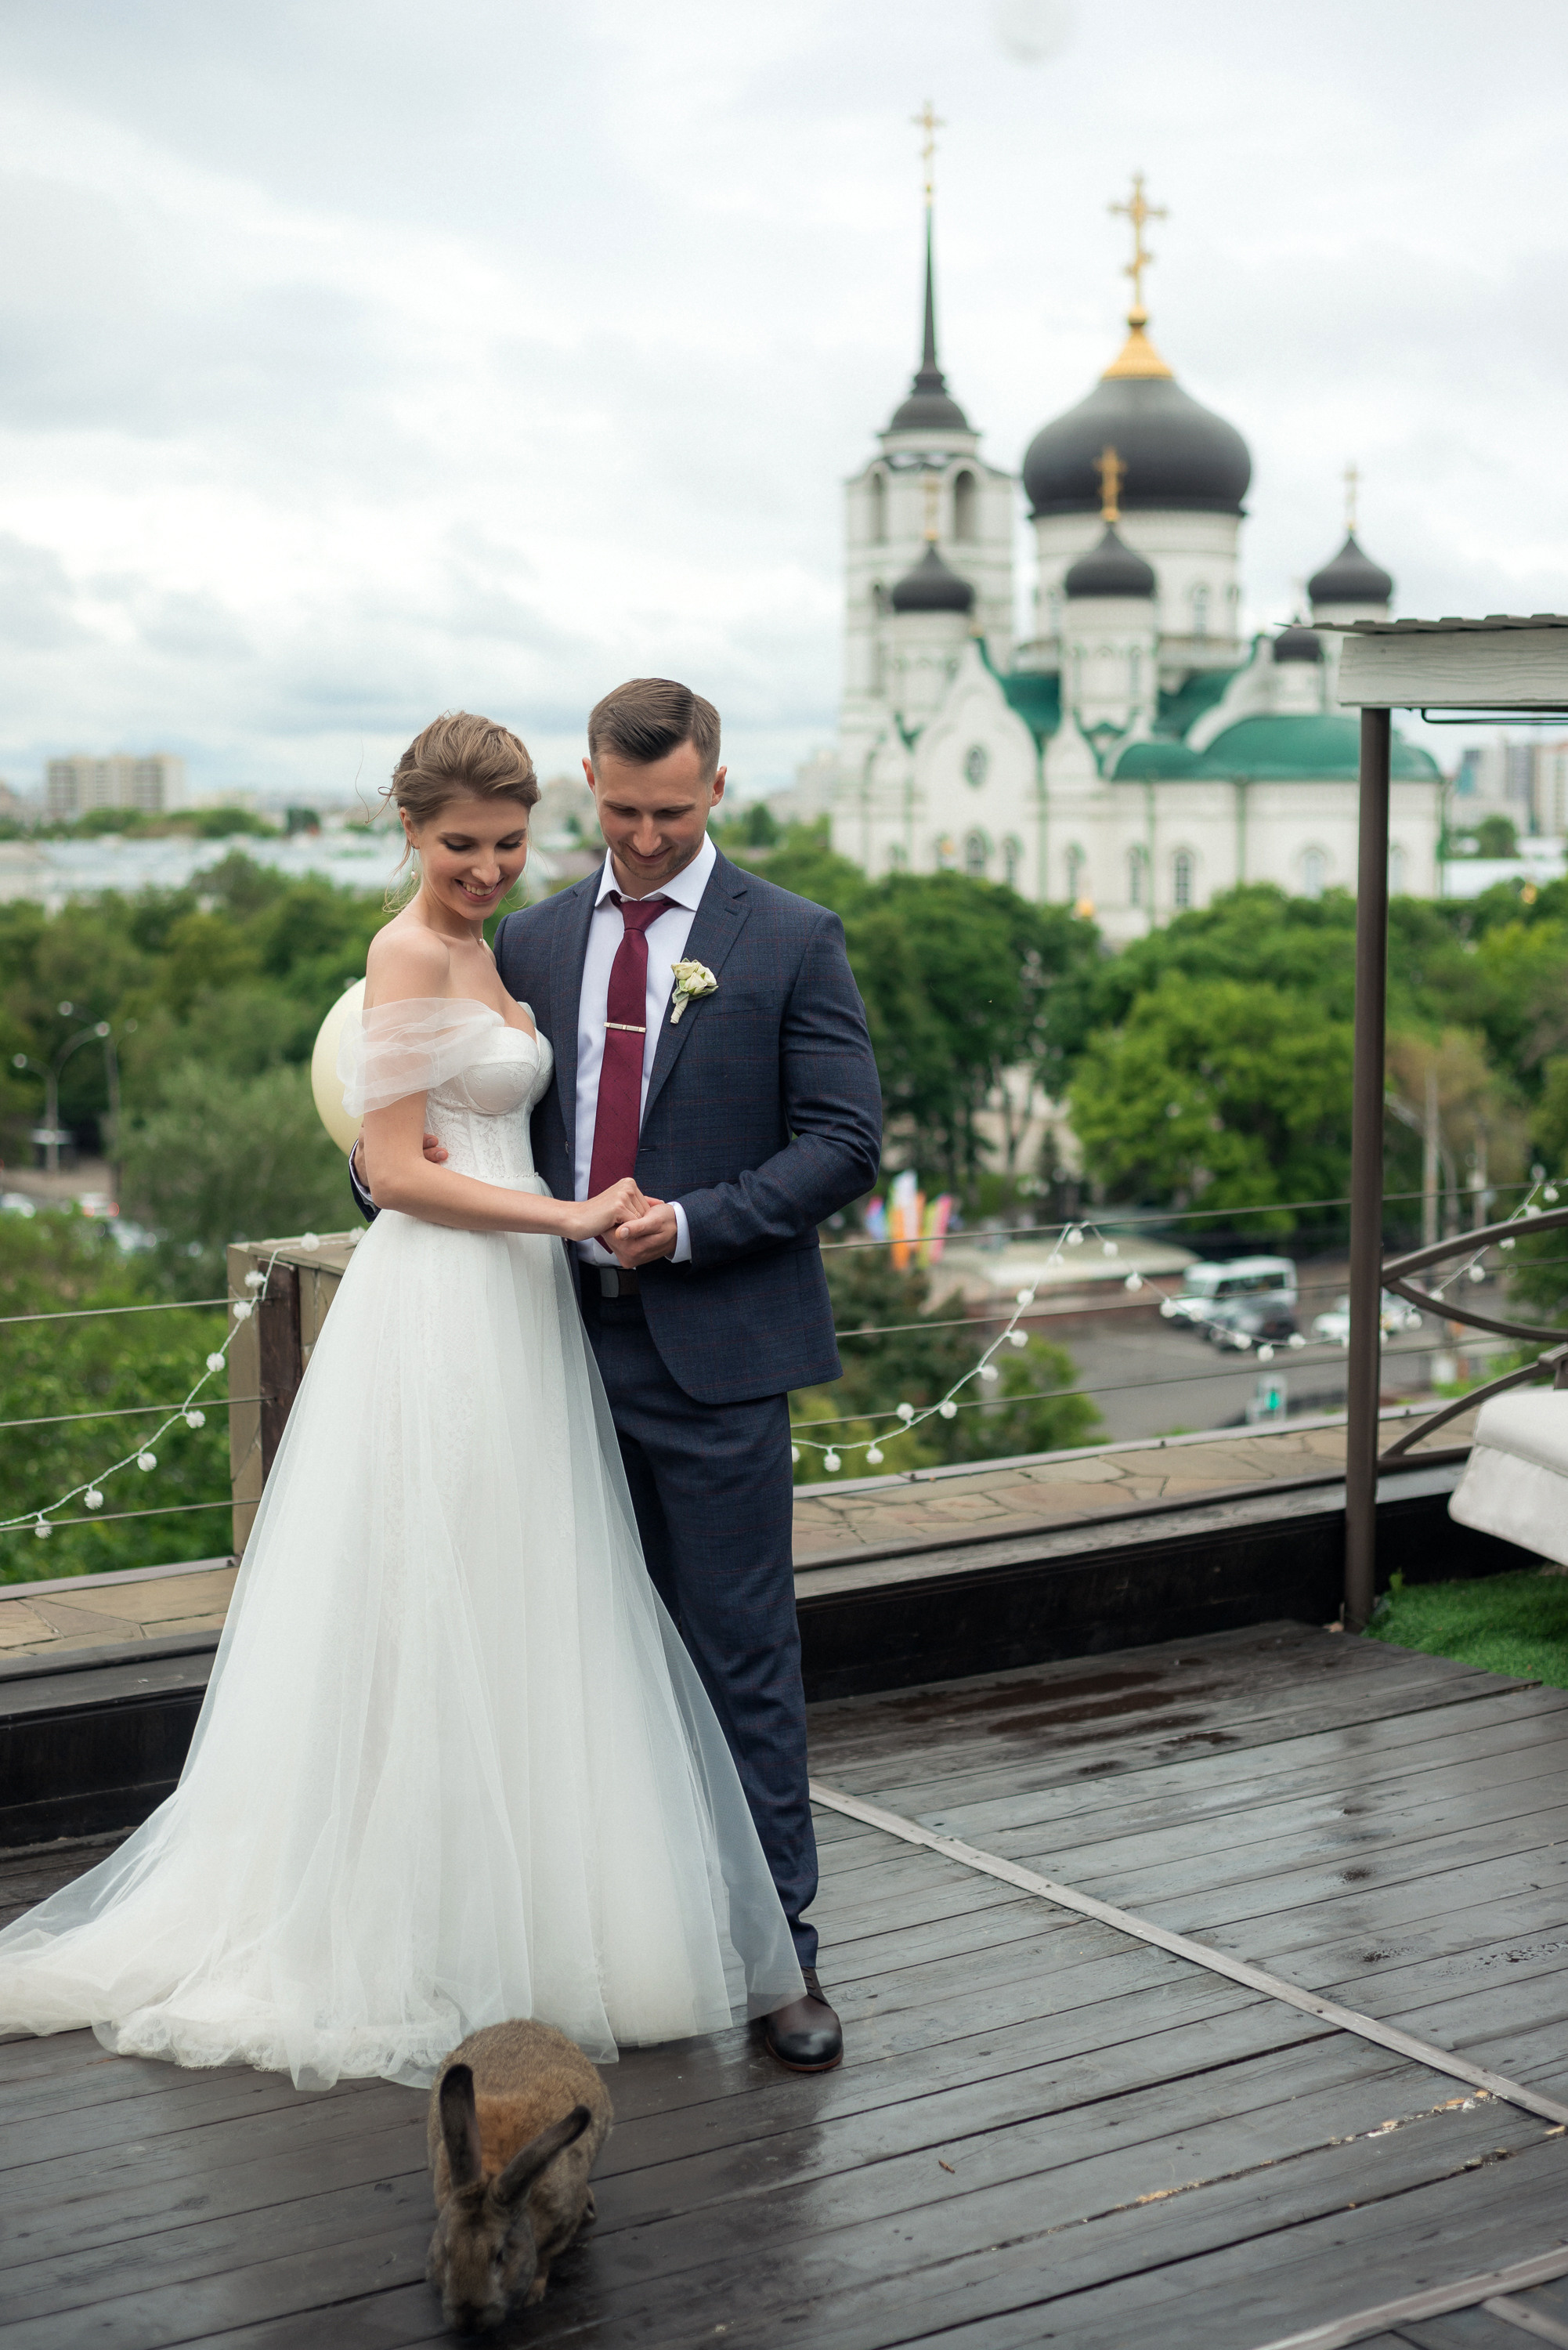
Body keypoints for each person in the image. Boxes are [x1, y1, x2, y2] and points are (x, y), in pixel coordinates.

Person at [0, 713, 807, 2091]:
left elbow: (491, 1128)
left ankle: (586, 1921)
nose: (488, 868)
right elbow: (391, 1168)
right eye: (460, 845)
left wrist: (556, 1209)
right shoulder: (409, 947)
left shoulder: (521, 948)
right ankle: (412, 1926)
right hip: (444, 1308)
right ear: (410, 833)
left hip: (532, 1314)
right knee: (424, 1606)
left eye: (507, 842)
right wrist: (554, 1213)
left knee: (536, 1606)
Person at [352, 678, 883, 2071]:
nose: (642, 841)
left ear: (718, 789)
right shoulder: (516, 931)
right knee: (568, 1660)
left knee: (738, 1658)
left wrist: (696, 1222)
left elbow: (842, 1143)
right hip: (535, 1351)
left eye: (671, 813)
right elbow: (436, 1125)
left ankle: (782, 1965)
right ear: (588, 781)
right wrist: (397, 1195)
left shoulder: (792, 937)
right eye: (620, 812)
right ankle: (604, 1941)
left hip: (713, 1354)